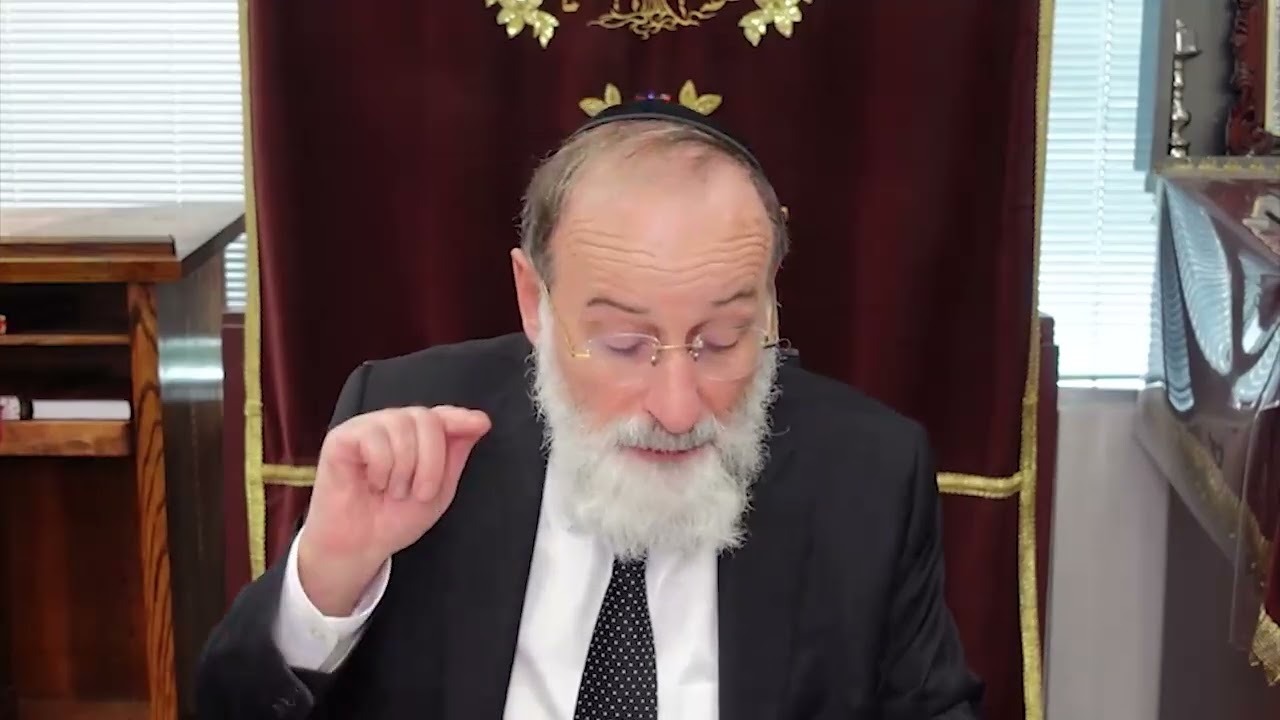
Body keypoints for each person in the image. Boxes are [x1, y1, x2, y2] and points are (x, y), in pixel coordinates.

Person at [196, 99, 983, 719]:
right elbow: (229, 706)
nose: (678, 409)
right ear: (533, 300)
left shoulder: (867, 475)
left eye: (721, 340)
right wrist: (328, 581)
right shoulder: (412, 425)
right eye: (622, 344)